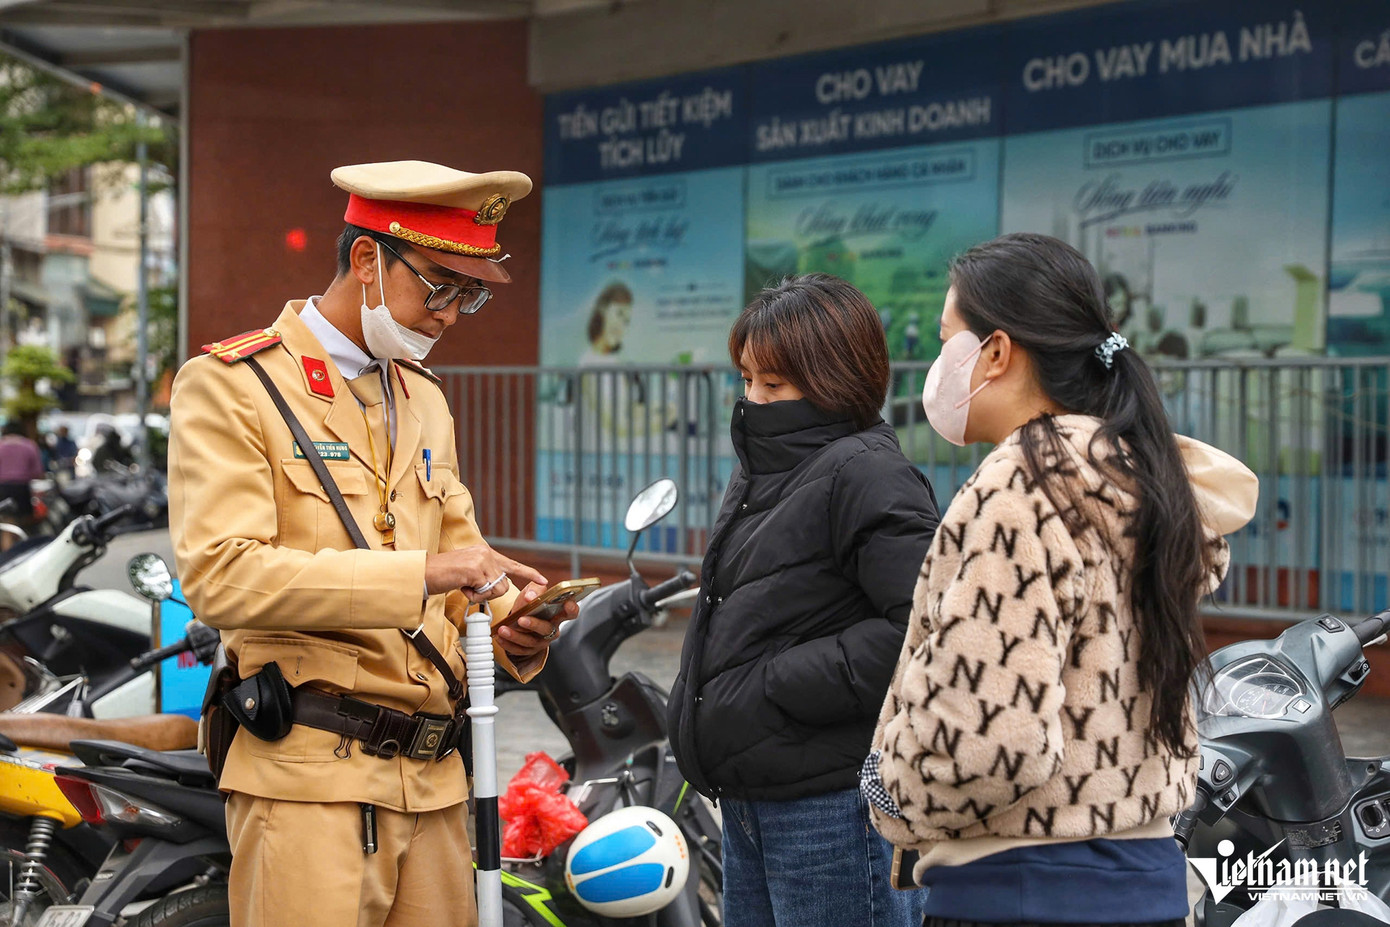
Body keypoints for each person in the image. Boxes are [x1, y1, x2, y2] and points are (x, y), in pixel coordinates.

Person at [167, 160, 580, 927]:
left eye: (471, 295)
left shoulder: (424, 399)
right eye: (440, 287)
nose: (450, 316)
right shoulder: (235, 384)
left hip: (433, 780)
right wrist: (425, 572)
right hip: (309, 783)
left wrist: (513, 621)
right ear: (366, 260)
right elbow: (222, 576)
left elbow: (462, 574)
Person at [861, 233, 1259, 926]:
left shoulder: (1022, 484)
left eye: (949, 341)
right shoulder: (1133, 473)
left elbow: (984, 741)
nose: (937, 365)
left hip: (1020, 891)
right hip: (1147, 886)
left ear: (997, 352)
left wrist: (889, 783)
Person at [668, 273, 941, 927]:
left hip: (832, 807)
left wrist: (776, 683)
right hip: (753, 800)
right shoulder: (764, 469)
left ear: (834, 380)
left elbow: (923, 632)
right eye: (747, 380)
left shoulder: (868, 472)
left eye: (775, 384)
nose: (754, 400)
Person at [0, 422, 42, 549]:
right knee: (24, 524)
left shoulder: (1, 445)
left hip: (3, 488)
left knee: (8, 525)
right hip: (22, 488)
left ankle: (8, 555)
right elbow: (37, 472)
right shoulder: (29, 445)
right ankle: (22, 552)